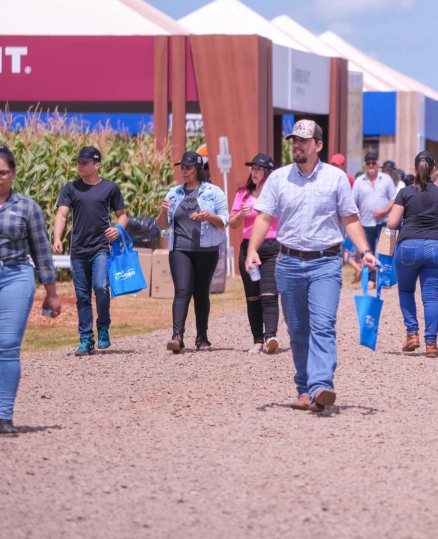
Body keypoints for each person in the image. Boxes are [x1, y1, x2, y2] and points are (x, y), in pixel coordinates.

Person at [246, 119, 377, 412]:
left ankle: (321, 386)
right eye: (294, 140)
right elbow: (264, 218)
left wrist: (364, 251)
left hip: (326, 263)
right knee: (297, 329)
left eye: (303, 141)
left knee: (323, 324)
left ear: (318, 145)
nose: (297, 145)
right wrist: (252, 249)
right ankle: (304, 389)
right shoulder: (278, 179)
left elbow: (350, 219)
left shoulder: (336, 178)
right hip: (288, 263)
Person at [0, 146, 62, 436]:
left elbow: (41, 252)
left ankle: (3, 415)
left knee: (8, 345)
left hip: (15, 276)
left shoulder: (27, 207)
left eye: (2, 172)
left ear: (13, 173)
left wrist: (51, 293)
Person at [52, 145, 127, 356]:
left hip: (101, 247)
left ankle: (103, 327)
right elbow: (62, 215)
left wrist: (118, 229)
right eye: (78, 162)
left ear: (97, 165)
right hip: (78, 250)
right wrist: (57, 237)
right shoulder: (71, 188)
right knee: (82, 296)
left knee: (101, 286)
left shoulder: (111, 188)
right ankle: (86, 338)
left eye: (85, 162)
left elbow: (122, 215)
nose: (80, 166)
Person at [387, 151, 438, 357]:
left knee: (406, 292)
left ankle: (412, 334)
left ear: (414, 169)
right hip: (436, 247)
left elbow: (392, 223)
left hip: (408, 246)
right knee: (430, 297)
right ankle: (431, 344)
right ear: (434, 171)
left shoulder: (405, 192)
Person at [157, 150, 229, 354]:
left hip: (207, 249)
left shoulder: (214, 192)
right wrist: (162, 211)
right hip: (180, 249)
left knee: (201, 292)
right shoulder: (173, 193)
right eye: (182, 168)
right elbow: (162, 225)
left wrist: (209, 217)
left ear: (198, 169)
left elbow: (225, 221)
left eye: (188, 168)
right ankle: (177, 336)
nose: (184, 172)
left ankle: (202, 337)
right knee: (182, 291)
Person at [230, 153, 281, 355]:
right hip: (247, 249)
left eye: (259, 169)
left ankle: (270, 337)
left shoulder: (276, 194)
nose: (255, 172)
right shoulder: (243, 194)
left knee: (269, 294)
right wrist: (239, 215)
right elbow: (232, 225)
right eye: (253, 168)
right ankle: (257, 340)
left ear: (268, 172)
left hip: (272, 248)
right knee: (252, 297)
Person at [352, 151, 396, 283]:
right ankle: (371, 279)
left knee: (387, 250)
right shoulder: (359, 181)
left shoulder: (386, 179)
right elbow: (353, 201)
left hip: (385, 220)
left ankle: (386, 278)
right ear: (365, 165)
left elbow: (394, 198)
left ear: (378, 164)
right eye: (368, 163)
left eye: (373, 162)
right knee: (368, 251)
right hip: (366, 222)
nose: (371, 165)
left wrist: (384, 211)